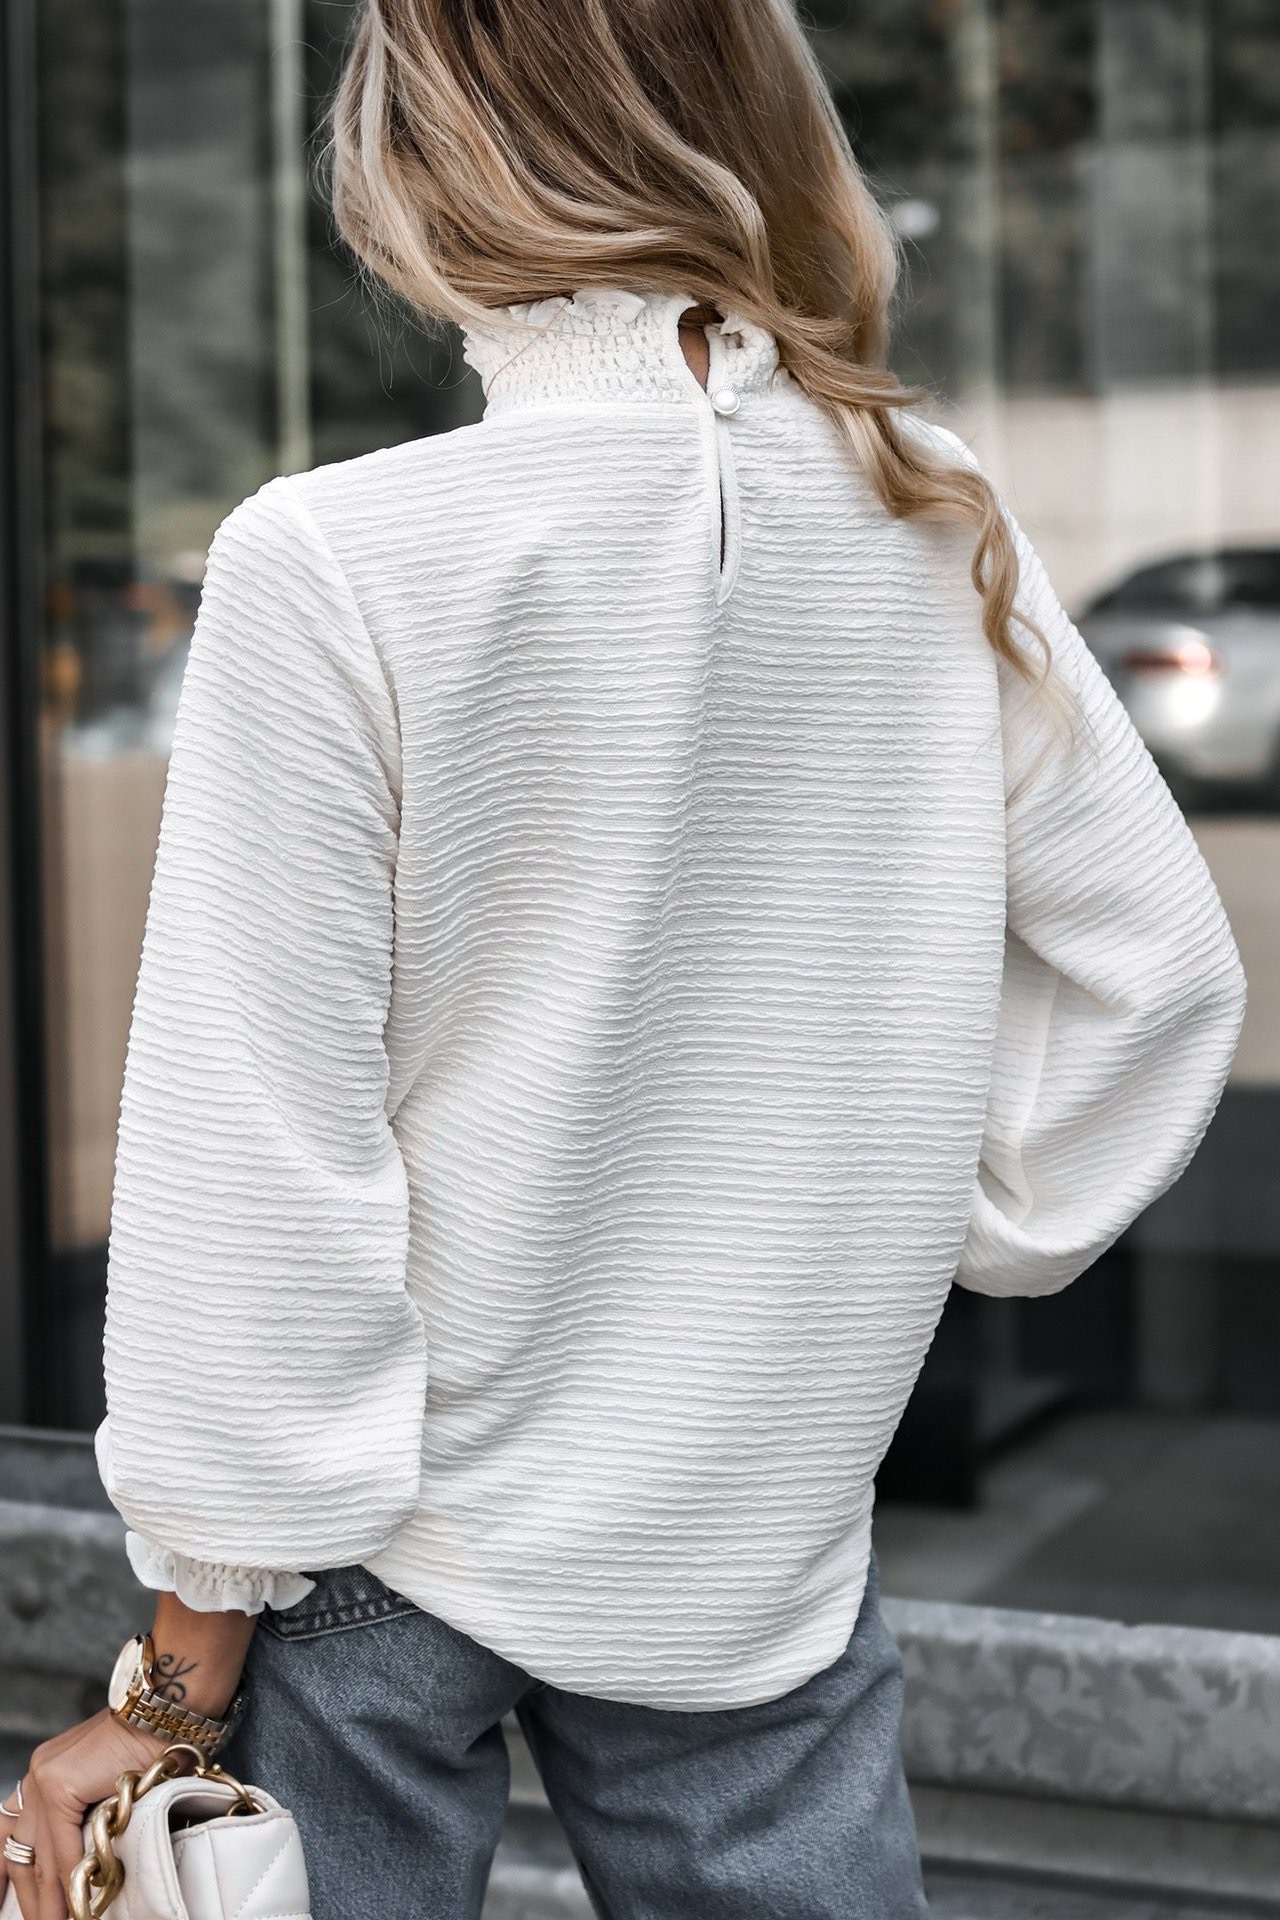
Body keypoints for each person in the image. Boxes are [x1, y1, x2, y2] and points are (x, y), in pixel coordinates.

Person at [0, 3, 1246, 1917]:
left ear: (425, 167)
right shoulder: (925, 508)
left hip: (381, 1555)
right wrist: (866, 1256)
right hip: (758, 1536)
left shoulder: (337, 557)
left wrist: (175, 1680)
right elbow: (1157, 981)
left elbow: (258, 1166)